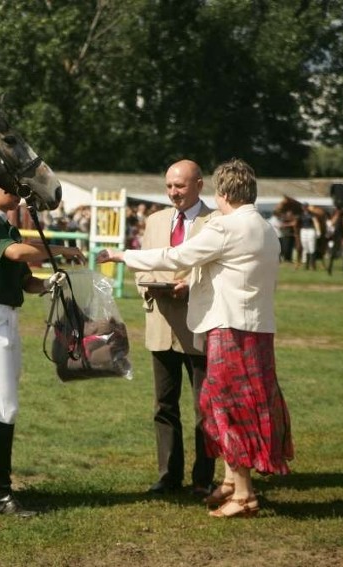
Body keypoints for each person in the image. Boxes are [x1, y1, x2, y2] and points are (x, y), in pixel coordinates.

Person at [97, 158, 293, 519]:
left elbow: (176, 256)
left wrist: (122, 254)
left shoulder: (226, 226)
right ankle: (232, 481)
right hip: (258, 329)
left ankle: (245, 496)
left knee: (227, 408)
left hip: (230, 329)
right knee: (246, 404)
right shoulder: (265, 228)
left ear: (222, 192)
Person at [0, 183, 86, 517]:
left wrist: (47, 285)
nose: (17, 195)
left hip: (6, 318)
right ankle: (1, 495)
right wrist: (61, 249)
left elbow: (25, 280)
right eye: (10, 189)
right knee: (5, 408)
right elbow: (15, 253)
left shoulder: (7, 227)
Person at [137, 159, 218, 498]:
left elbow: (218, 273)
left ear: (199, 185)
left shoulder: (216, 221)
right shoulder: (154, 220)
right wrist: (149, 285)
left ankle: (203, 479)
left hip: (197, 328)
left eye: (180, 186)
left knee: (204, 408)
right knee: (163, 406)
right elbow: (141, 267)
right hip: (160, 326)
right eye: (169, 186)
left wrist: (191, 286)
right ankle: (168, 476)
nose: (173, 193)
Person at [298, 203, 317, 270]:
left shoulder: (312, 214)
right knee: (305, 247)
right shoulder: (301, 215)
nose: (304, 208)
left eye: (305, 206)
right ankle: (306, 265)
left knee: (311, 247)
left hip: (310, 230)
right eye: (303, 207)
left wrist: (318, 231)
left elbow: (315, 222)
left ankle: (313, 265)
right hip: (303, 230)